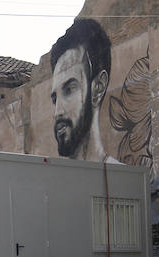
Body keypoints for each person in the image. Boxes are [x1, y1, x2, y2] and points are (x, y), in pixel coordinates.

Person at [49, 19, 120, 163]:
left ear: (98, 88)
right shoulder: (53, 183)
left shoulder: (124, 180)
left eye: (69, 90)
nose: (58, 112)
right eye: (55, 99)